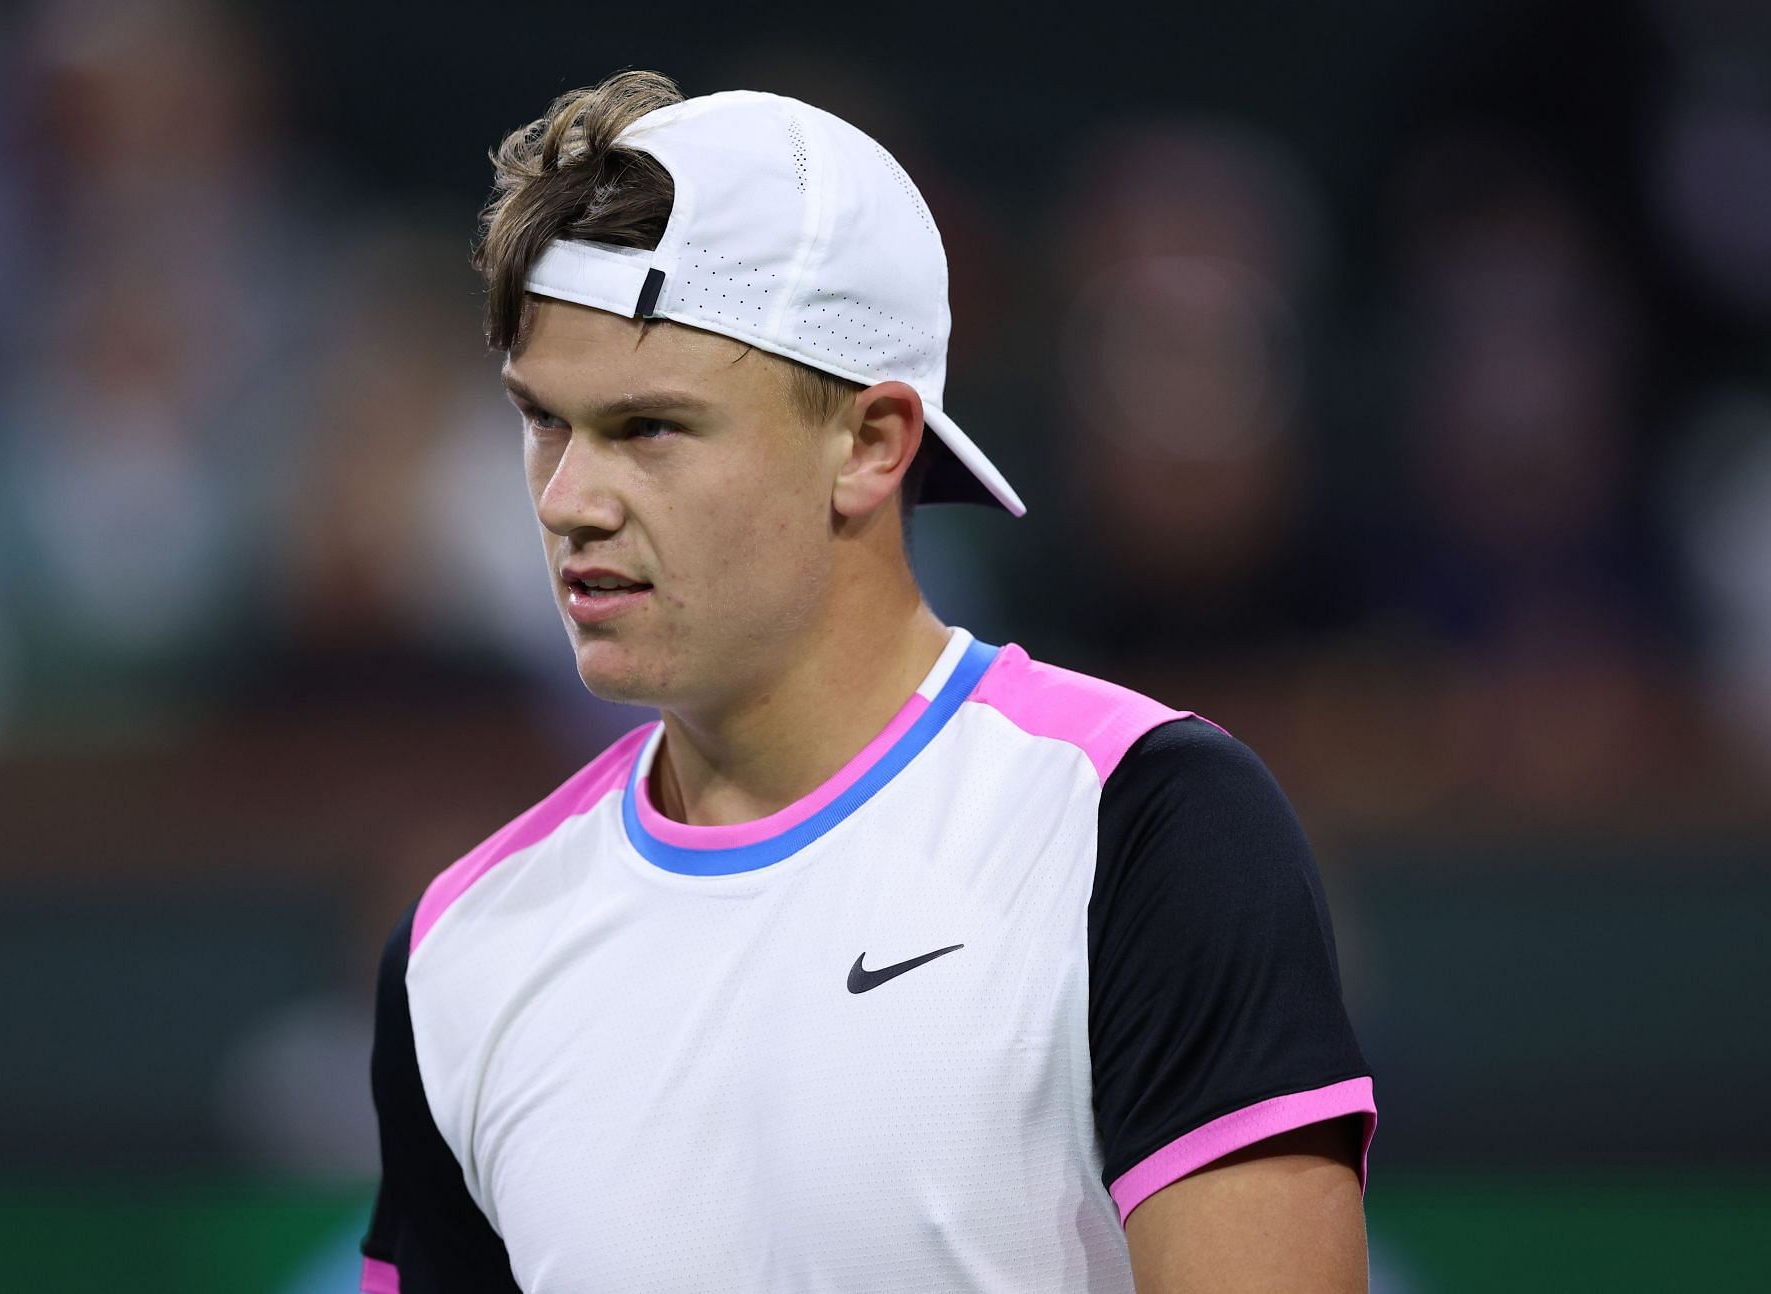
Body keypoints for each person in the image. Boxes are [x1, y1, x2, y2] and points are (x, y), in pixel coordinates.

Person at [359, 70, 1376, 1294]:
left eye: (649, 429)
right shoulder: (461, 950)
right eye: (544, 421)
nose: (570, 499)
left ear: (874, 442)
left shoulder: (1144, 827)